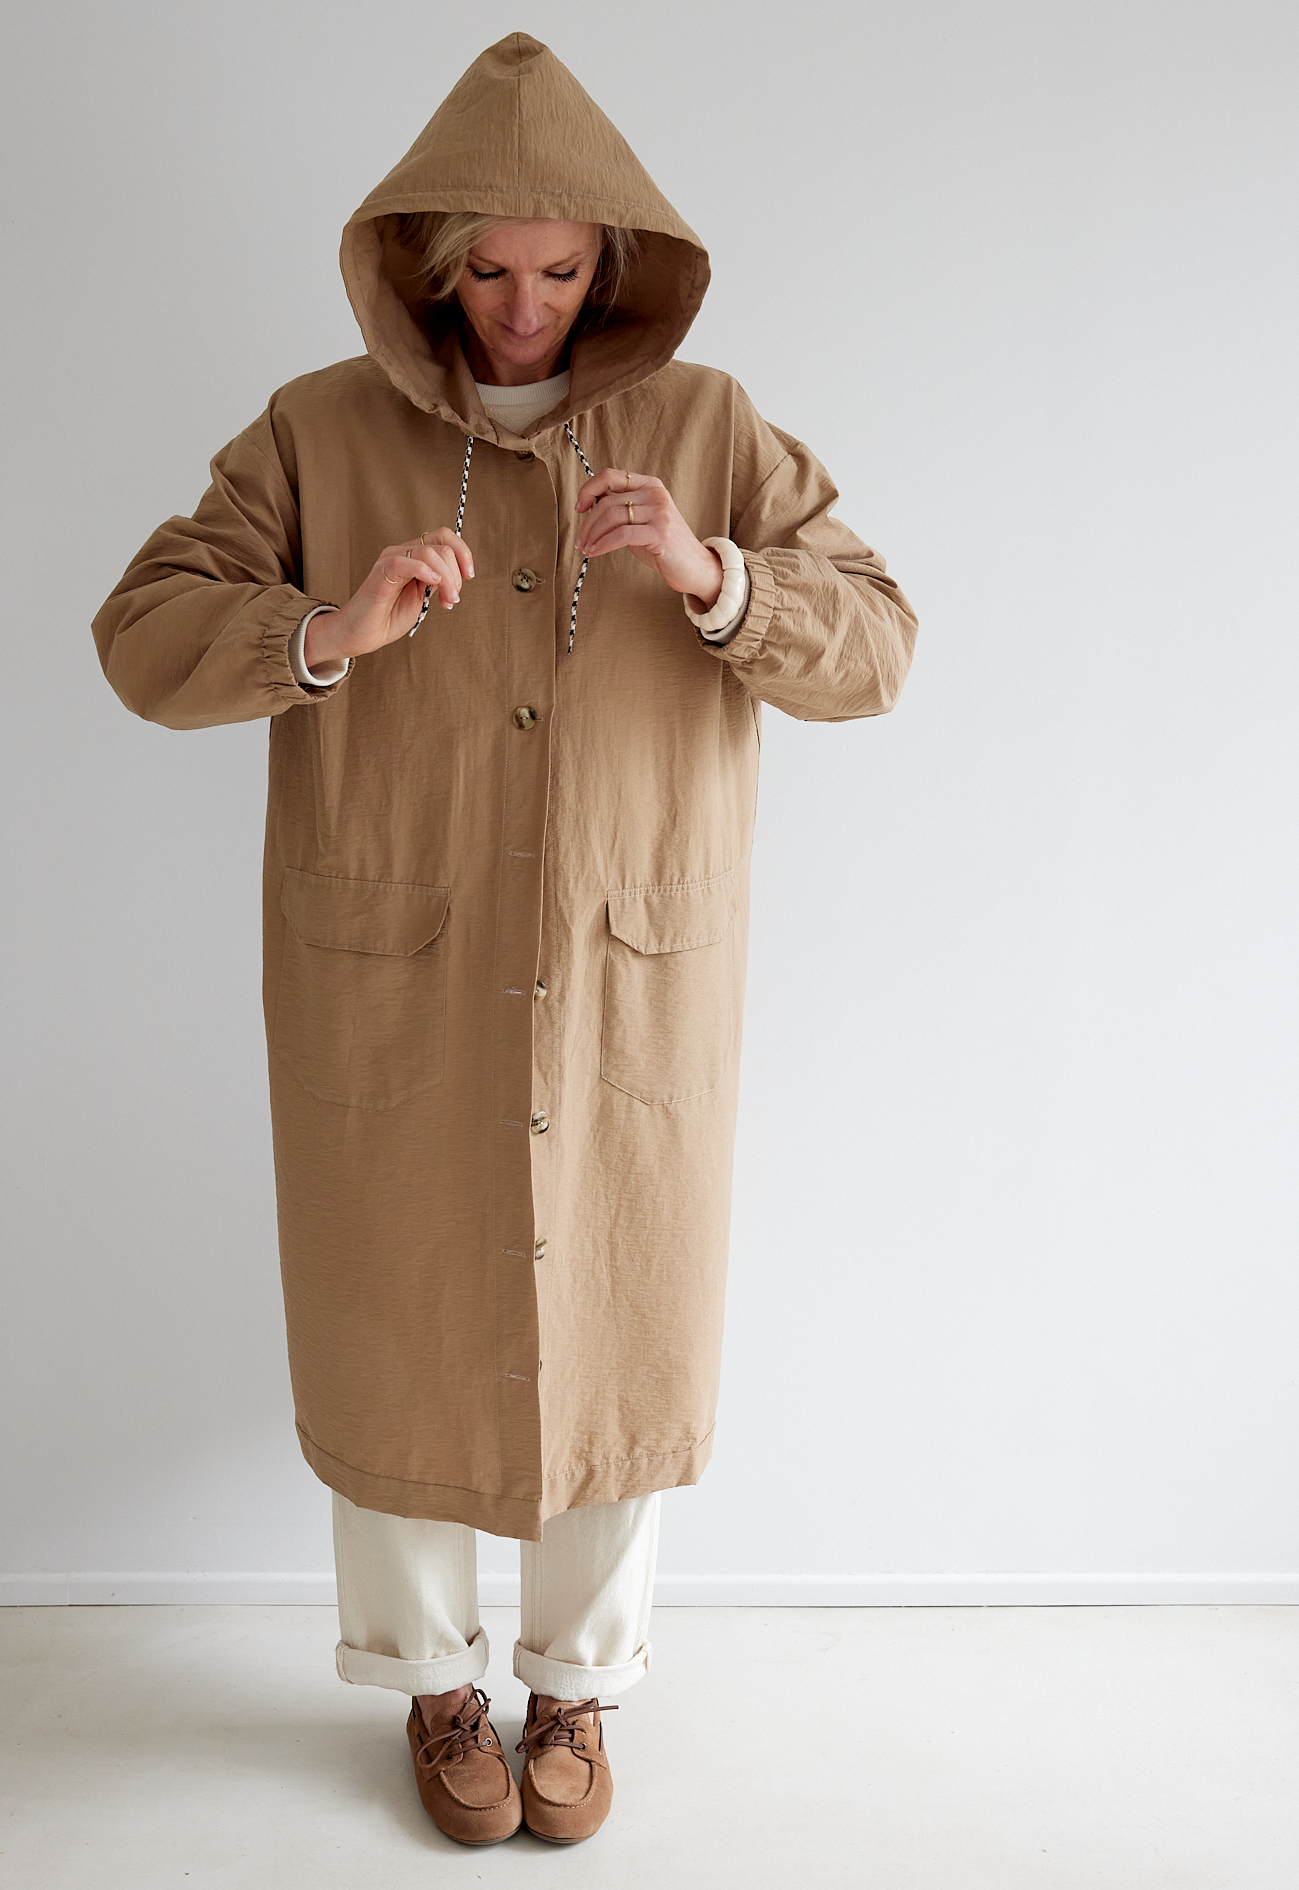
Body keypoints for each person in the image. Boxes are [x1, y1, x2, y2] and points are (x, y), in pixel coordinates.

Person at [93, 31, 916, 1848]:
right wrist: (330, 627)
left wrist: (713, 576)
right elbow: (142, 633)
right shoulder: (317, 428)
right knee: (395, 1304)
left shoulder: (712, 427)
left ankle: (575, 1685)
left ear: (612, 260)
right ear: (429, 264)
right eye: (488, 271)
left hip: (634, 970)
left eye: (558, 269)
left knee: (618, 1304)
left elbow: (877, 644)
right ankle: (430, 1682)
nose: (525, 307)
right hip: (396, 969)